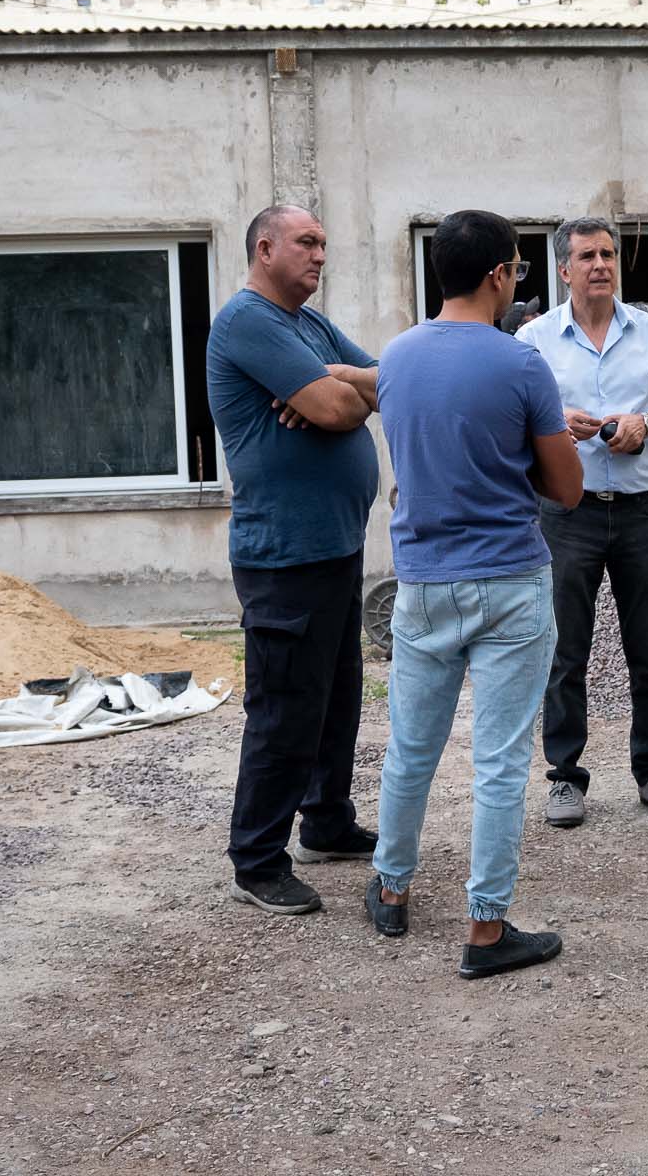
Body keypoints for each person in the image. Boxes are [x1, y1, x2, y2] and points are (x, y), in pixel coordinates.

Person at [369, 209, 587, 979]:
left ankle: (391, 890)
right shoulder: (521, 365)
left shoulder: (396, 358)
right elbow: (566, 487)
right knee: (498, 763)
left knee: (412, 748)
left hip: (424, 582)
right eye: (519, 269)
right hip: (509, 583)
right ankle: (485, 931)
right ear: (500, 274)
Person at [206, 204, 385, 916]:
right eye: (307, 242)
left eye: (323, 243)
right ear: (265, 248)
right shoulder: (249, 321)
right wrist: (334, 396)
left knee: (337, 699)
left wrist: (335, 381)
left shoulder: (307, 326)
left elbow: (381, 381)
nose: (319, 255)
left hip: (335, 546)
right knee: (283, 710)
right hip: (283, 557)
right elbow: (343, 410)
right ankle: (256, 861)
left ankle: (327, 822)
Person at [516, 218, 648, 829]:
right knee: (565, 652)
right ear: (562, 270)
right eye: (586, 256)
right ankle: (565, 778)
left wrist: (645, 425)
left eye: (607, 254)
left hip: (644, 510)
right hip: (567, 515)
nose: (600, 264)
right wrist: (551, 419)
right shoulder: (534, 339)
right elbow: (511, 418)